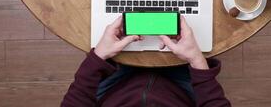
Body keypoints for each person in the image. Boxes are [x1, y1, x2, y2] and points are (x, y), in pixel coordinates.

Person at [61, 16, 231, 107]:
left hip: (114, 84)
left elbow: (75, 103)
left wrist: (99, 56)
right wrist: (196, 60)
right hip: (182, 87)